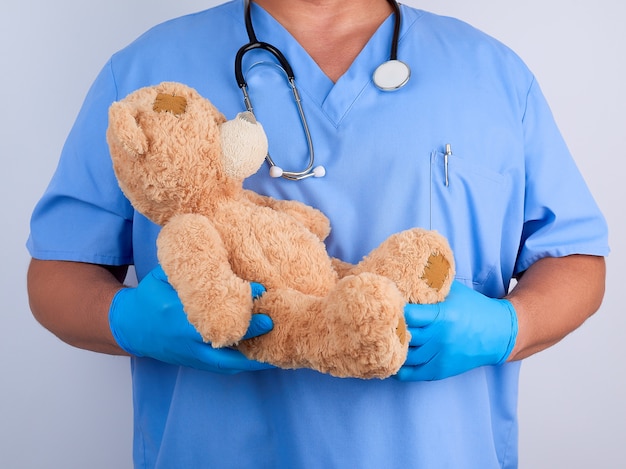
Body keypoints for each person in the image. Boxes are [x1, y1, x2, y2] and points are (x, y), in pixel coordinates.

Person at [26, 0, 608, 467]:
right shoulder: (143, 73)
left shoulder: (494, 76)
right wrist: (130, 322)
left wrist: (507, 327)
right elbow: (56, 271)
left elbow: (577, 259)